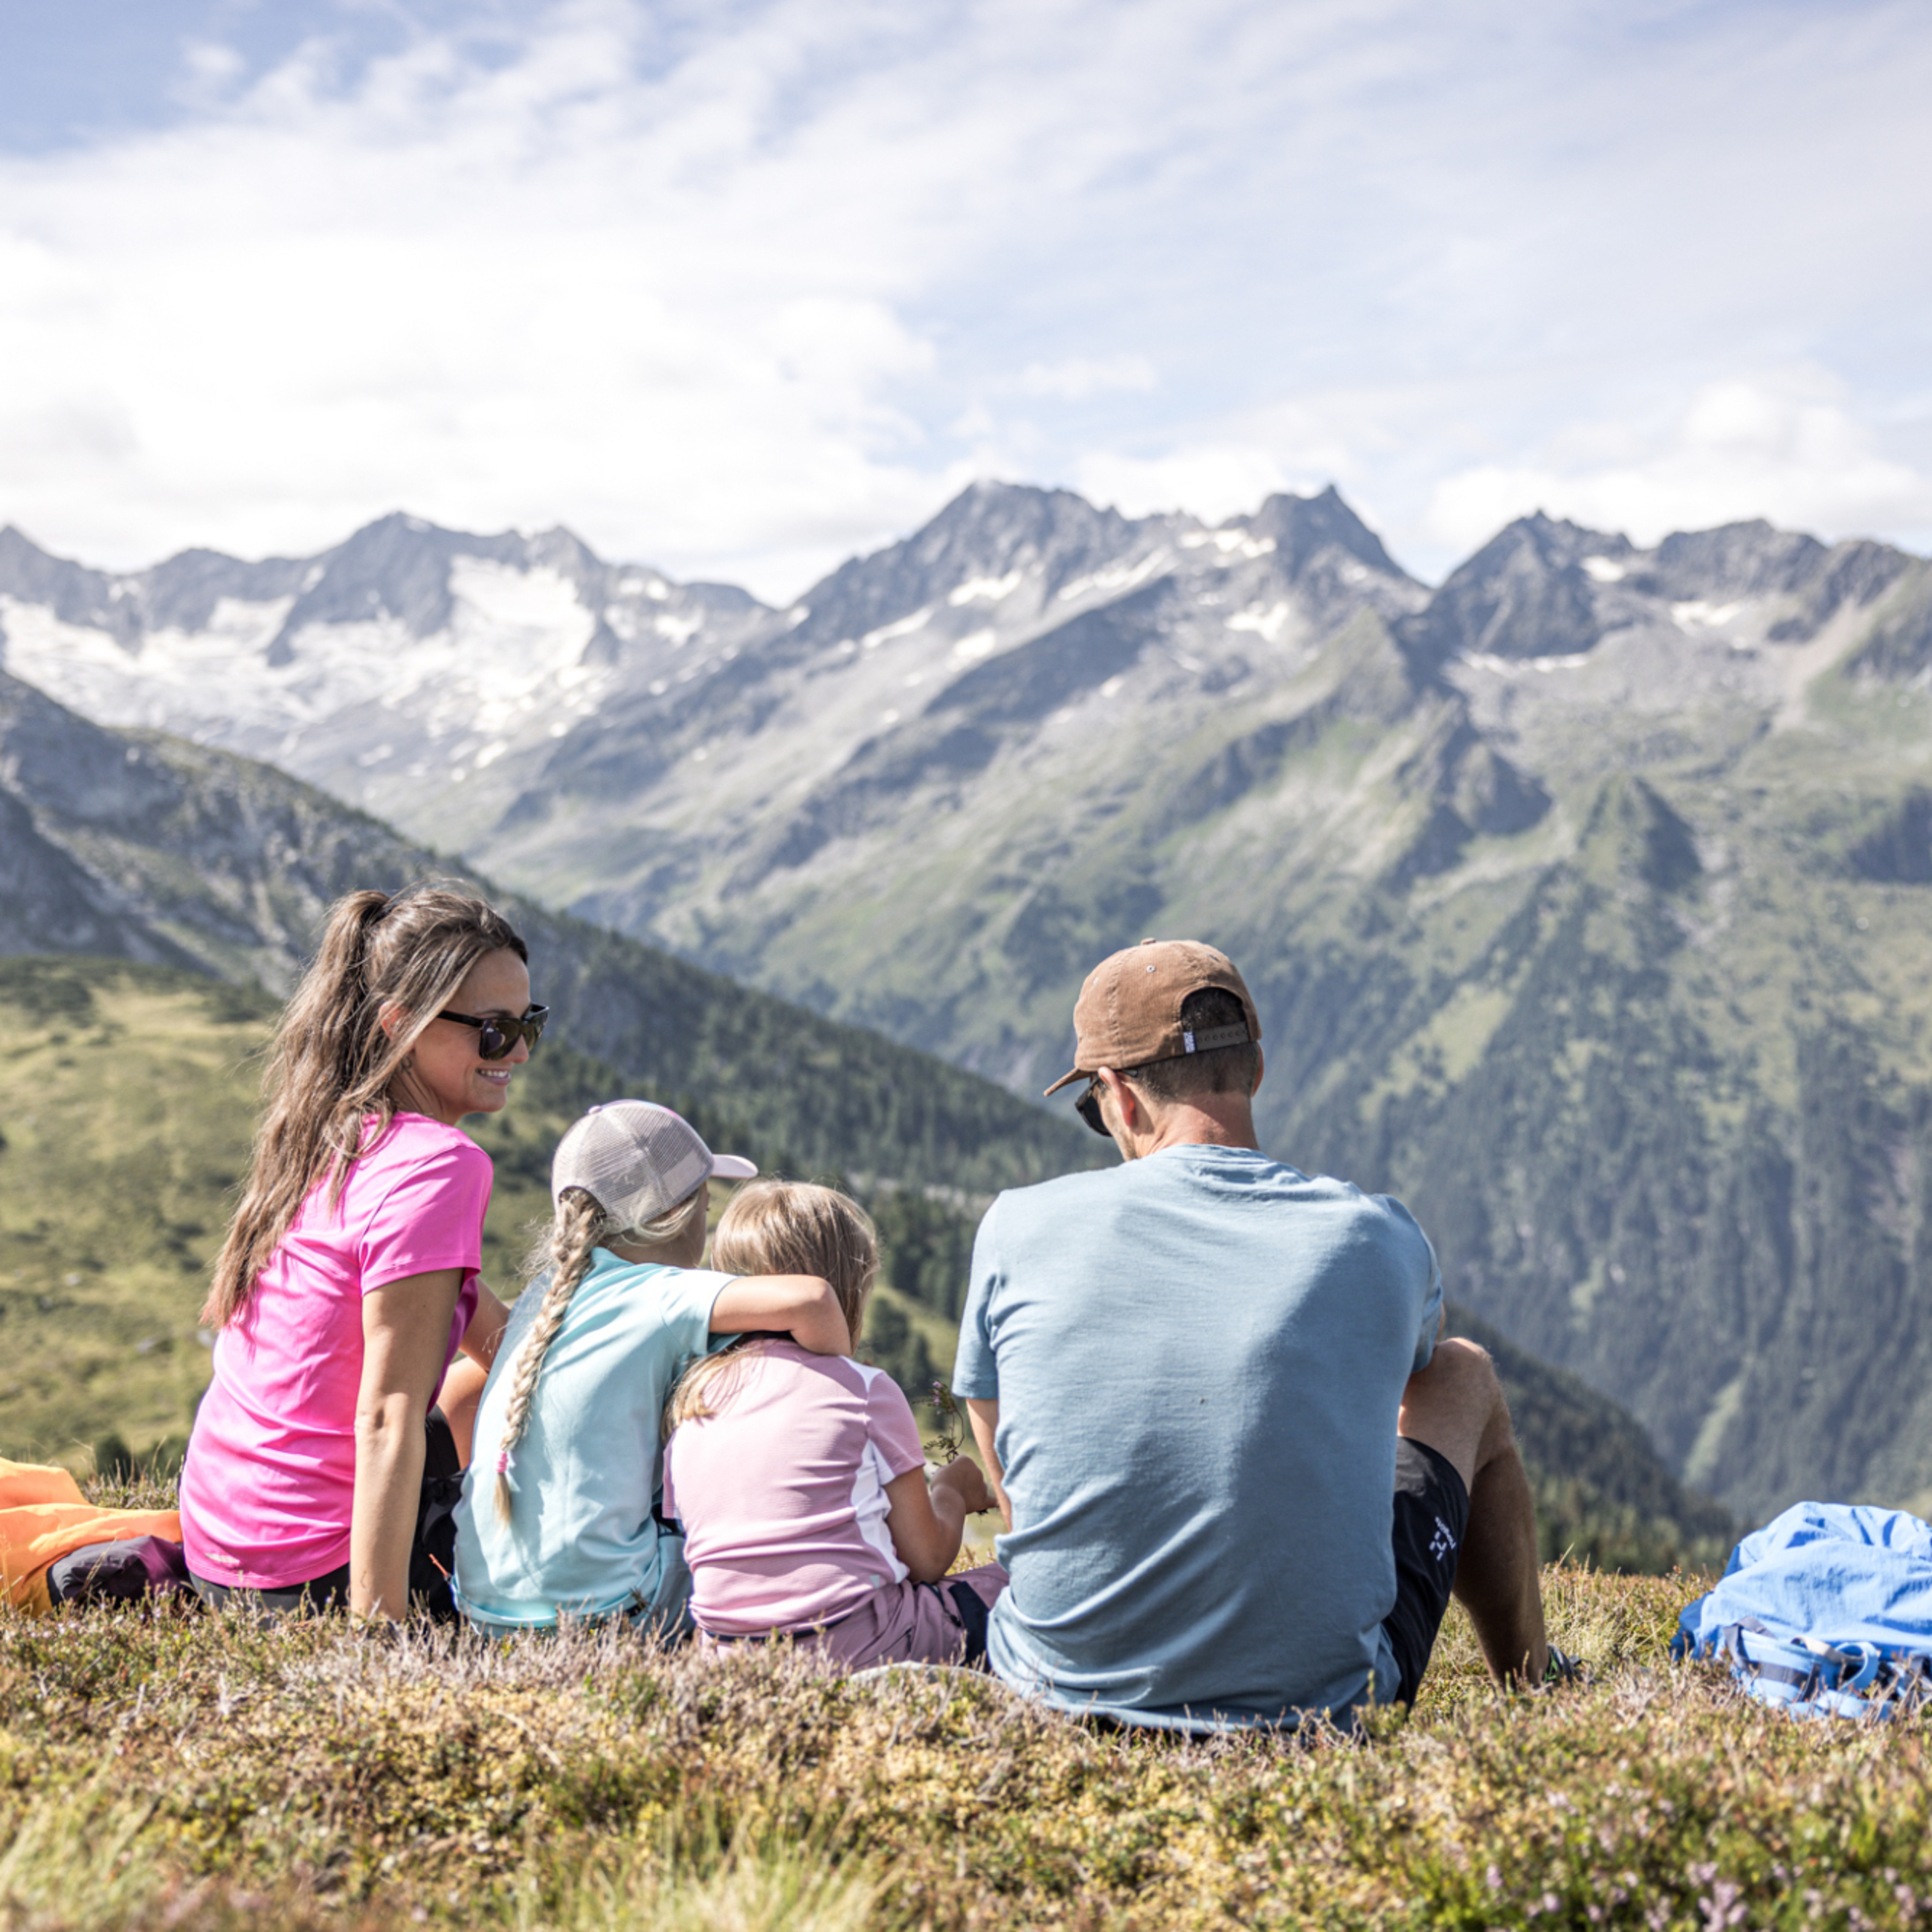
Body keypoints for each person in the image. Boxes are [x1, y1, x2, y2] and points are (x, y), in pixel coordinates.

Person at [952, 938, 1551, 1730]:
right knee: (1462, 1374)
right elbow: (1407, 1372)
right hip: (1314, 1715)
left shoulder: (1015, 1224)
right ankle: (1535, 1684)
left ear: (1117, 1098)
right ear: (1256, 1071)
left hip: (1054, 1697)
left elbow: (1011, 1486)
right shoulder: (1379, 1238)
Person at [180, 883, 545, 1619]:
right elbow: (386, 1415)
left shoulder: (329, 1130)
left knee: (489, 1384)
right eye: (491, 1030)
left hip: (220, 1544)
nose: (518, 1052)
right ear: (399, 1024)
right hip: (309, 1574)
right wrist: (378, 1636)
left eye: (527, 1024)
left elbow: (499, 1341)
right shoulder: (439, 1165)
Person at [452, 1103, 853, 1634]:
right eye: (705, 1209)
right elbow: (813, 1300)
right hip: (612, 1612)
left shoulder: (541, 1300)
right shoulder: (657, 1291)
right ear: (674, 1214)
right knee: (753, 1549)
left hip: (483, 1614)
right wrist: (852, 1398)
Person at [662, 1181, 1005, 1666]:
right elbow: (925, 1561)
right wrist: (951, 1491)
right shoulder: (863, 1390)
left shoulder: (692, 1403)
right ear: (849, 1289)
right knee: (1017, 1583)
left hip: (724, 1657)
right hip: (859, 1645)